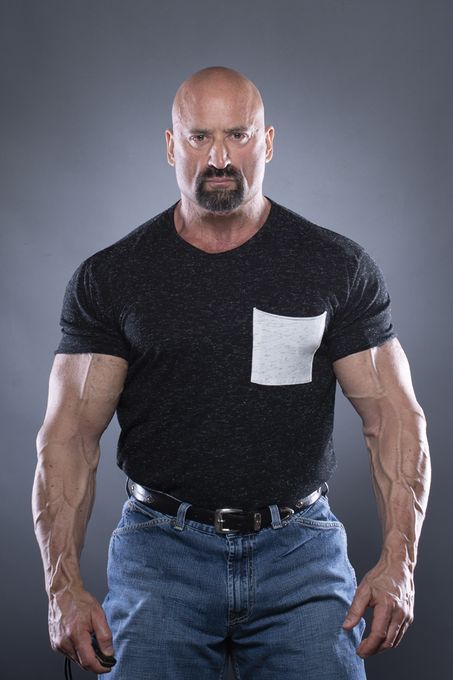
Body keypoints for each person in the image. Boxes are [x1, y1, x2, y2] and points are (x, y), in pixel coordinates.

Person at [32, 66, 431, 680]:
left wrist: (399, 564)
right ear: (172, 146)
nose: (219, 158)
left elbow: (395, 418)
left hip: (301, 550)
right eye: (199, 137)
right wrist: (62, 588)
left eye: (238, 135)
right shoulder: (112, 278)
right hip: (160, 552)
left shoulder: (334, 266)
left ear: (266, 142)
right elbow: (68, 439)